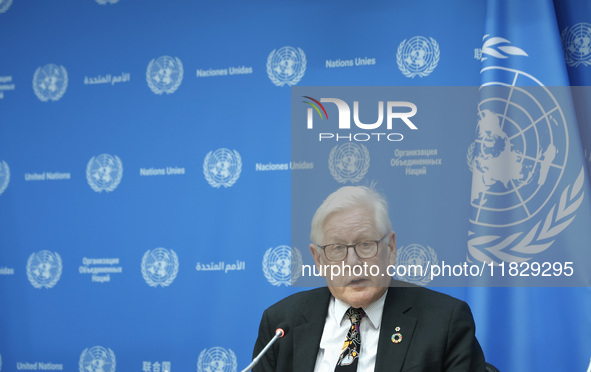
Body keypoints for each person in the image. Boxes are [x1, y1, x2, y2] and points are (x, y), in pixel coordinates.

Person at [252, 186, 485, 371]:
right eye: (337, 248)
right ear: (318, 259)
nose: (352, 262)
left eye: (365, 244)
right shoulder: (281, 324)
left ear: (391, 248)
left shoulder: (444, 321)